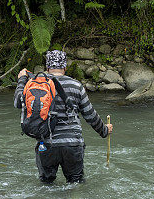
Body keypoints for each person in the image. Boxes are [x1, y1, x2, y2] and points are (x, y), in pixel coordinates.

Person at [14, 50, 113, 183]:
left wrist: (21, 80)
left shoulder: (35, 85)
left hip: (46, 144)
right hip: (72, 145)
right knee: (75, 183)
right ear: (65, 67)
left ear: (47, 67)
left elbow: (17, 103)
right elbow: (90, 115)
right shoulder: (76, 86)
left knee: (46, 184)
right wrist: (104, 130)